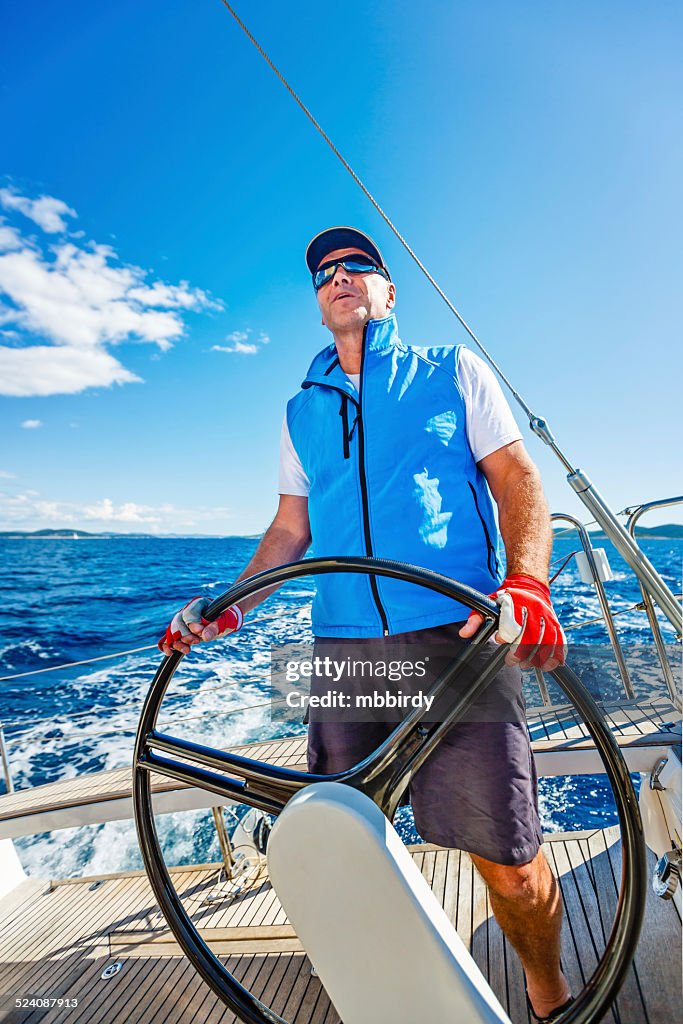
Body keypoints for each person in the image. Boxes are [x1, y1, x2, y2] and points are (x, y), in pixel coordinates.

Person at [160, 226, 572, 1024]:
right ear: (318, 308)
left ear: (387, 291)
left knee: (511, 864)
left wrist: (525, 584)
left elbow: (517, 479)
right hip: (345, 651)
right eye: (323, 274)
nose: (338, 277)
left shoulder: (451, 370)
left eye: (356, 267)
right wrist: (231, 603)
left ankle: (550, 998)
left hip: (455, 640)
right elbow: (289, 533)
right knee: (346, 847)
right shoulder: (297, 412)